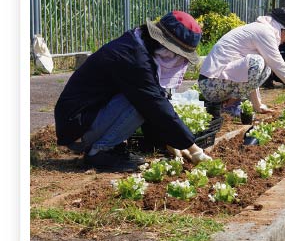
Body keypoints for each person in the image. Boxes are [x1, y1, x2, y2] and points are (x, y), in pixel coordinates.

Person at [54, 11, 211, 172]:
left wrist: (170, 142)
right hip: (77, 128)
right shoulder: (133, 58)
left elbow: (154, 98)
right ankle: (100, 152)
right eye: (179, 54)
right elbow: (153, 104)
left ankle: (110, 147)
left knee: (147, 99)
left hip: (84, 121)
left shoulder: (136, 45)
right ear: (165, 47)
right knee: (144, 103)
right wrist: (193, 148)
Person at [197, 8, 285, 118]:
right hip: (210, 84)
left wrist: (257, 105)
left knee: (265, 65)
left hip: (216, 83)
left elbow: (249, 76)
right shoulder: (265, 32)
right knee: (258, 62)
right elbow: (279, 65)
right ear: (283, 29)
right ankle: (230, 106)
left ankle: (231, 103)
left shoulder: (262, 29)